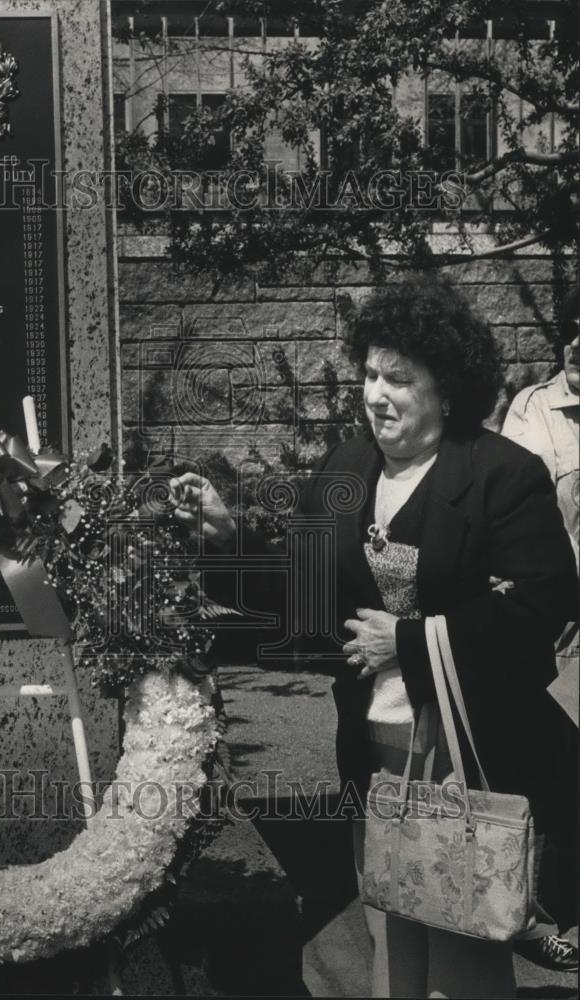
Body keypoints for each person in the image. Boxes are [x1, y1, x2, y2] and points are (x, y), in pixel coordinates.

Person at [170, 273, 579, 998]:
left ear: (445, 389)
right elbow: (304, 593)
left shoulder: (503, 476)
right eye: (368, 374)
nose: (375, 394)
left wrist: (413, 641)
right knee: (391, 936)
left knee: (461, 948)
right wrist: (226, 539)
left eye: (399, 378)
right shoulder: (347, 468)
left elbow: (542, 605)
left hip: (470, 759)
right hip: (373, 756)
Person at [501, 286, 579, 973]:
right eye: (572, 328)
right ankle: (540, 910)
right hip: (565, 628)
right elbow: (517, 522)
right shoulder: (536, 412)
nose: (577, 343)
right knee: (554, 770)